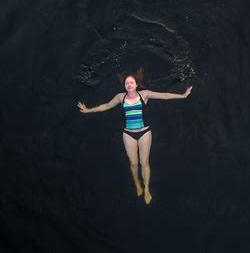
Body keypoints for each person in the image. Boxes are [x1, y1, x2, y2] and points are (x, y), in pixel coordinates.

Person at [77, 68, 193, 204]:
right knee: (133, 163)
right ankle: (137, 183)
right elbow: (106, 105)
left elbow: (164, 95)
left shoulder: (145, 94)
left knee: (144, 162)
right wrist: (88, 110)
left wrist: (183, 95)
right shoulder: (121, 97)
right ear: (124, 86)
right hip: (128, 134)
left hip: (144, 132)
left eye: (131, 83)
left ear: (136, 85)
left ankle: (147, 188)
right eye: (127, 83)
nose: (129, 85)